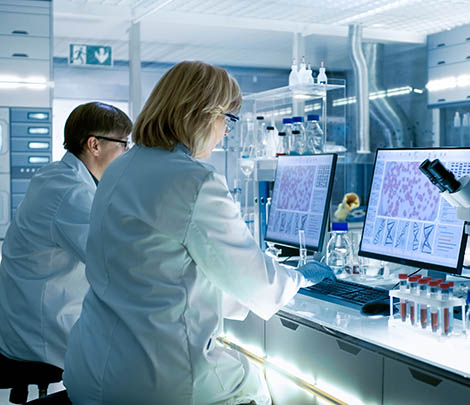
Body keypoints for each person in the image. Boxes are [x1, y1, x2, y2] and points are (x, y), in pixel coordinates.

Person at [63, 61, 335, 405]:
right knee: (262, 390)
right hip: (153, 381)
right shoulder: (193, 181)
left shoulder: (119, 169)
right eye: (228, 120)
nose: (225, 132)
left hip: (91, 369)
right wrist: (299, 277)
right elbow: (258, 285)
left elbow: (160, 269)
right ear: (204, 114)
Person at [0, 102, 132, 369]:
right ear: (94, 145)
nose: (127, 153)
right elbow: (111, 260)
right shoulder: (70, 192)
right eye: (123, 144)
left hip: (24, 318)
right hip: (41, 332)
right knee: (135, 360)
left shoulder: (58, 176)